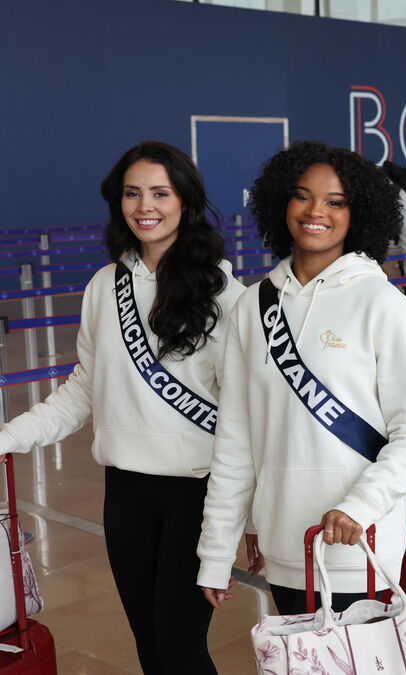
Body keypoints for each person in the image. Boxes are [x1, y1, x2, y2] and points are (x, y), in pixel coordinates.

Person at [0, 141, 244, 674]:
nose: (145, 206)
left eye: (160, 192)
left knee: (181, 650)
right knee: (151, 647)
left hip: (196, 495)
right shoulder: (104, 287)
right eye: (133, 194)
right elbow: (85, 388)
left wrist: (236, 524)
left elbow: (244, 417)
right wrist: (9, 435)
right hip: (126, 493)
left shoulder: (224, 293)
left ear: (185, 201)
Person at [196, 141, 406, 616]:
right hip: (286, 548)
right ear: (280, 203)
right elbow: (235, 440)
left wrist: (361, 505)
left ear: (359, 214)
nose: (316, 212)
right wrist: (215, 551)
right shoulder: (252, 307)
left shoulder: (386, 307)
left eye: (335, 202)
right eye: (302, 195)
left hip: (363, 548)